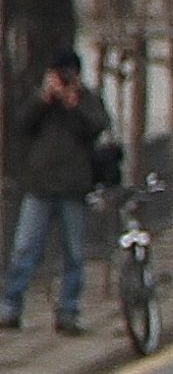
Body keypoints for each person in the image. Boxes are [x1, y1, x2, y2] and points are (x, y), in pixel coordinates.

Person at [5, 57, 113, 334]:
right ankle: (10, 306)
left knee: (74, 253)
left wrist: (72, 103)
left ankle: (69, 311)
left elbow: (98, 126)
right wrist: (45, 97)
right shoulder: (41, 100)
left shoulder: (86, 99)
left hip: (73, 188)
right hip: (40, 186)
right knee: (24, 249)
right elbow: (21, 123)